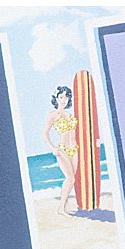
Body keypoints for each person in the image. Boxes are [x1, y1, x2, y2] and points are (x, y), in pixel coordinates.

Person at [45, 85, 79, 214]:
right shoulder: (53, 115)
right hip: (62, 149)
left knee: (72, 179)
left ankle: (66, 207)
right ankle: (61, 208)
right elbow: (45, 133)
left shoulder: (69, 114)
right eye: (61, 97)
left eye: (66, 97)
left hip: (74, 149)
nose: (64, 100)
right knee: (70, 178)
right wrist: (52, 147)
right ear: (56, 98)